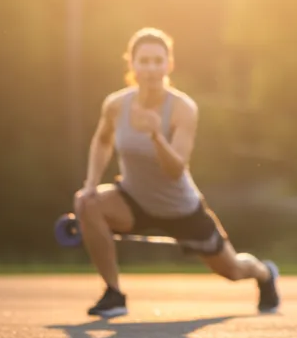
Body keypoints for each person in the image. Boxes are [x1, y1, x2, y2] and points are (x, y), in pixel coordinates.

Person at [73, 27, 280, 318]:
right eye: (143, 61)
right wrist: (91, 184)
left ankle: (264, 273)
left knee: (232, 270)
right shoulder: (116, 105)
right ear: (131, 64)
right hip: (134, 200)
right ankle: (114, 294)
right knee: (87, 203)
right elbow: (102, 140)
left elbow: (175, 170)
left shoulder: (183, 108)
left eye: (158, 61)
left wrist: (156, 135)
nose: (151, 68)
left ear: (169, 65)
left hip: (181, 208)